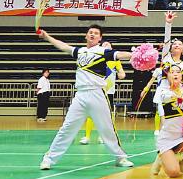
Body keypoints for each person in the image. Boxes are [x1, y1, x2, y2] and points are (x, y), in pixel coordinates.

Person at [37, 25, 135, 170]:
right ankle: (49, 159)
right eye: (90, 32)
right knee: (67, 128)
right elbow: (63, 46)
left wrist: (136, 54)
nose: (92, 34)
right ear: (86, 36)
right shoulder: (80, 51)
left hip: (97, 93)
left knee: (107, 128)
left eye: (96, 33)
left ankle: (120, 157)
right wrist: (47, 37)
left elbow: (120, 54)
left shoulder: (103, 51)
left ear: (100, 38)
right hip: (80, 95)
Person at [82, 44, 126, 145]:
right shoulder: (96, 57)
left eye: (108, 44)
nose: (106, 45)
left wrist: (121, 75)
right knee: (91, 114)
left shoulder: (116, 60)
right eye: (104, 44)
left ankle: (102, 136)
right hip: (95, 90)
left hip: (108, 92)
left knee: (106, 115)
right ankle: (87, 137)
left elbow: (122, 72)